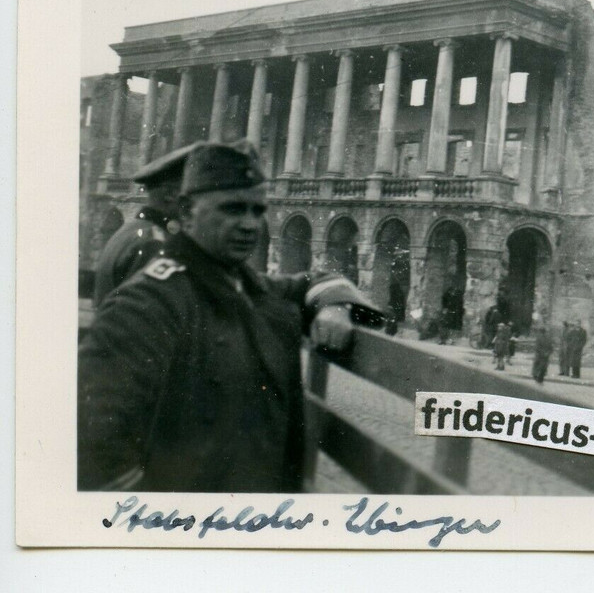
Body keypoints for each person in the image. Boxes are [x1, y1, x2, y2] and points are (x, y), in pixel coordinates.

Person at [78, 141, 380, 493]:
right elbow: (95, 443)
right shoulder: (149, 303)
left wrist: (334, 305)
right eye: (233, 209)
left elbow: (313, 283)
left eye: (257, 210)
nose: (250, 224)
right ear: (187, 212)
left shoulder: (249, 288)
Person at [92, 142, 199, 306]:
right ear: (171, 194)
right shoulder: (155, 243)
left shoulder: (133, 229)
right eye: (192, 192)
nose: (196, 201)